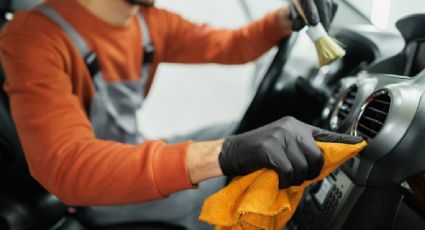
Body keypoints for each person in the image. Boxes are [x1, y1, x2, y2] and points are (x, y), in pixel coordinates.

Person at [0, 0, 362, 228]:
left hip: (132, 148)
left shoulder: (148, 22)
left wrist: (286, 16)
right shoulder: (33, 37)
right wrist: (227, 154)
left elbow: (232, 45)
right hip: (96, 193)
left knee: (249, 133)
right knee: (240, 189)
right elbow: (67, 167)